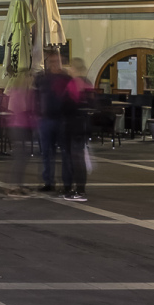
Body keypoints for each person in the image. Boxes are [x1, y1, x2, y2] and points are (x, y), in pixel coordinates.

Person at [34, 49, 74, 194]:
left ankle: (67, 183)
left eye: (56, 61)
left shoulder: (66, 78)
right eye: (51, 61)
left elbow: (72, 98)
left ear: (61, 62)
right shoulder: (41, 78)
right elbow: (35, 96)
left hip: (63, 120)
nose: (54, 64)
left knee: (65, 153)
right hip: (45, 120)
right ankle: (48, 182)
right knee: (46, 153)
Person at [62, 58, 92, 201]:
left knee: (76, 159)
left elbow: (67, 104)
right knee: (78, 158)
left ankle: (80, 191)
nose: (69, 69)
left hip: (74, 125)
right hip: (83, 125)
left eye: (71, 67)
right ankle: (79, 189)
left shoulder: (75, 83)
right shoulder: (87, 82)